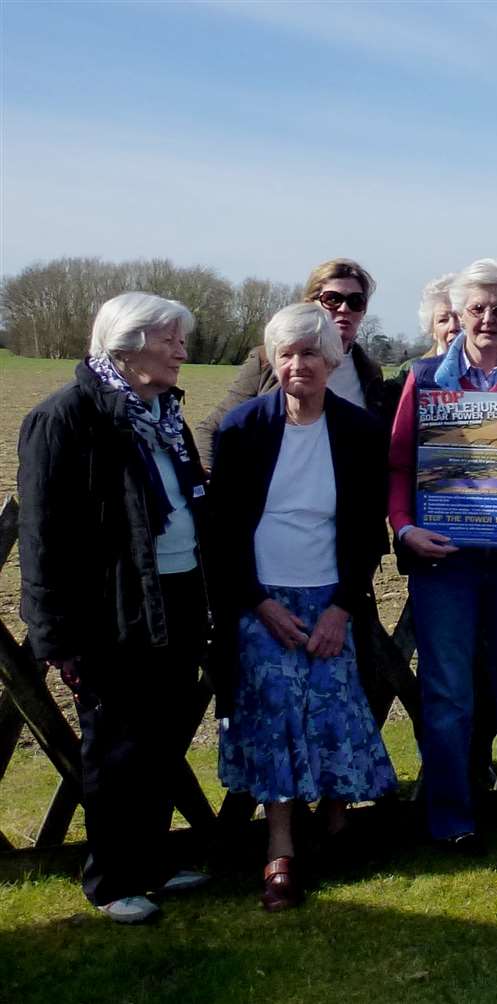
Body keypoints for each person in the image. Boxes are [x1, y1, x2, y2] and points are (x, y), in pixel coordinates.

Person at [16, 292, 214, 924]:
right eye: (169, 341)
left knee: (160, 741)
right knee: (116, 748)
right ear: (126, 347)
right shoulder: (65, 419)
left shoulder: (163, 415)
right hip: (113, 613)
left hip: (177, 600)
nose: (183, 351)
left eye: (181, 340)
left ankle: (151, 863)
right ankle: (110, 880)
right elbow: (42, 538)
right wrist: (57, 637)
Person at [209, 303, 398, 911]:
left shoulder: (361, 431)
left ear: (332, 359)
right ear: (271, 360)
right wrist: (258, 603)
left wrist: (342, 607)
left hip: (329, 595)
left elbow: (369, 529)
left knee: (335, 706)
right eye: (286, 354)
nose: (299, 365)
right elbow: (223, 531)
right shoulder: (240, 429)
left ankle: (338, 825)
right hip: (262, 597)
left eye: (311, 353)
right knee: (274, 715)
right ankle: (280, 851)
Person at [387, 258, 497, 850]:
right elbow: (399, 463)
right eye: (478, 308)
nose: (489, 318)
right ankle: (451, 816)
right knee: (447, 692)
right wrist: (404, 526)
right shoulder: (425, 375)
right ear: (458, 312)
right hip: (445, 558)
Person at [198, 258, 394, 462]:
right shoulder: (266, 360)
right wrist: (213, 483)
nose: (344, 309)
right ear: (310, 304)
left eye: (356, 301)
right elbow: (212, 429)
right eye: (333, 299)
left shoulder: (369, 372)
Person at [419, 272, 461, 356]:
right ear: (433, 330)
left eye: (459, 317)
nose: (453, 327)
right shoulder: (415, 368)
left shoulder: (492, 367)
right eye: (443, 320)